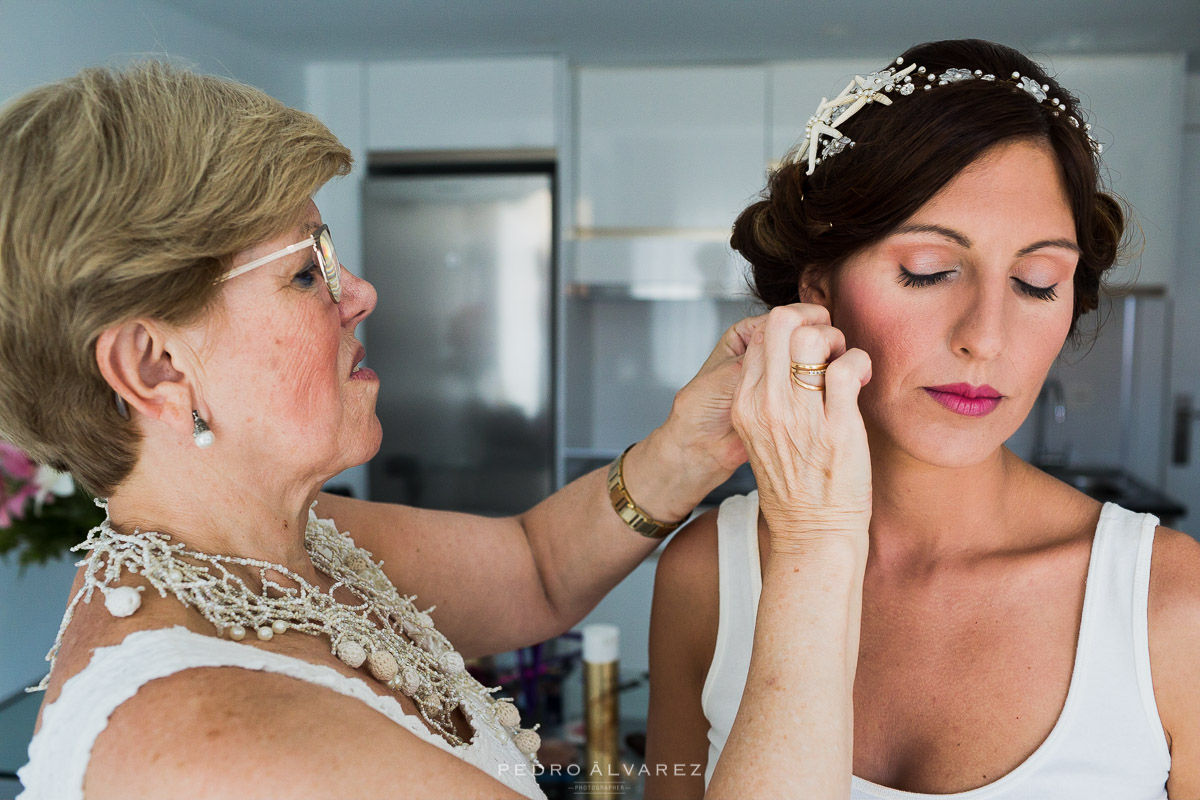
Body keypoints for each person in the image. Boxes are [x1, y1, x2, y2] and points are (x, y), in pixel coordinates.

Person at [0, 62, 869, 800]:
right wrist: (820, 538)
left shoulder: (279, 547)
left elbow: (536, 567)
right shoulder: (222, 744)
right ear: (153, 364)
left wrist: (689, 446)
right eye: (308, 272)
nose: (361, 291)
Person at [646, 38, 1200, 800]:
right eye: (928, 271)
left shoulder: (1173, 606)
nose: (987, 335)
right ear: (820, 289)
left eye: (1038, 283)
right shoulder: (706, 575)